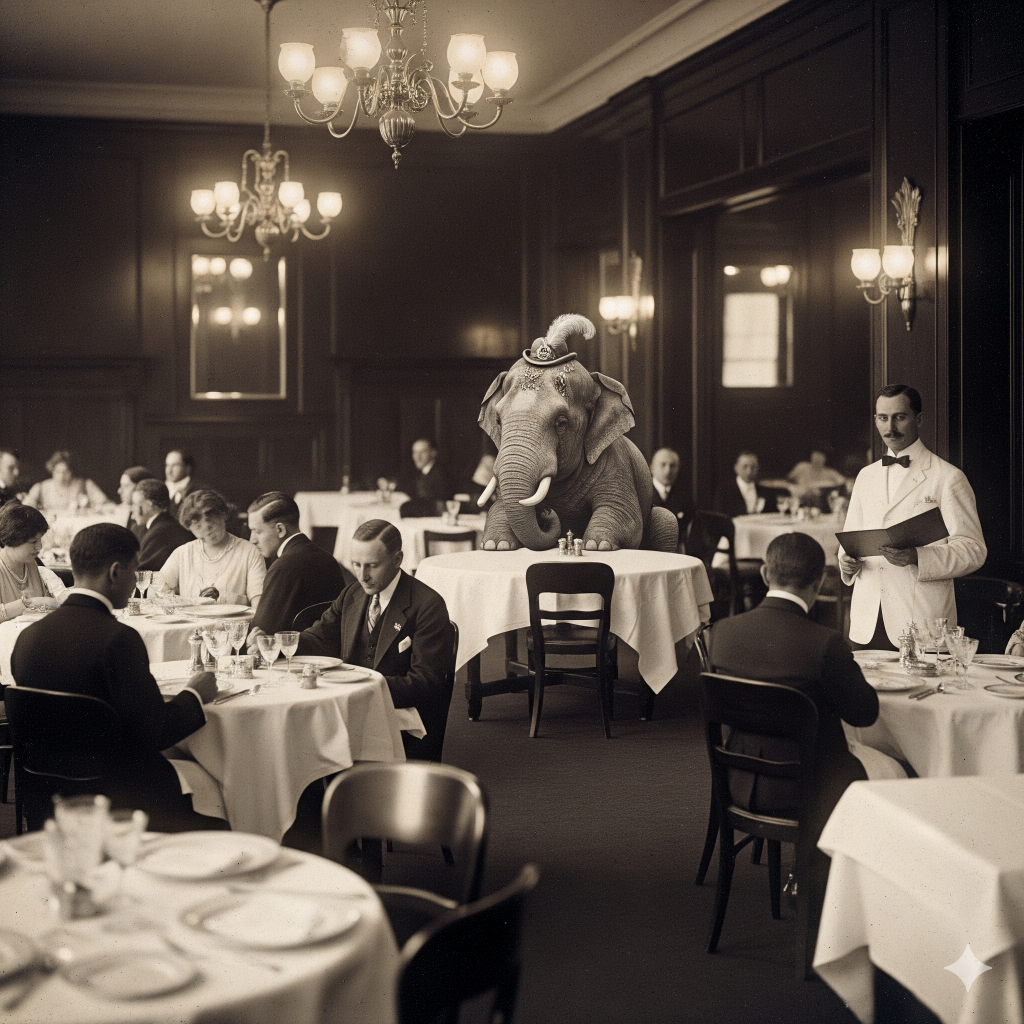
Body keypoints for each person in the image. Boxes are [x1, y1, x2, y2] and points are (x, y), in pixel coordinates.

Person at [707, 533, 904, 957]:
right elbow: (864, 714)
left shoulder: (721, 634)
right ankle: (868, 904)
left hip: (739, 782)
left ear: (764, 574)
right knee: (896, 771)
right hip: (809, 794)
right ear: (819, 584)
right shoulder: (825, 644)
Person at [10, 523, 221, 831]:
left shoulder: (28, 637)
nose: (135, 581)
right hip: (121, 794)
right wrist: (196, 695)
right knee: (215, 783)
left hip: (47, 794)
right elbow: (156, 733)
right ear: (115, 572)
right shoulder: (119, 639)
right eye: (134, 572)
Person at [839, 384, 987, 650]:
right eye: (883, 418)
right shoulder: (865, 476)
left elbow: (973, 549)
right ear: (875, 420)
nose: (890, 427)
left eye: (900, 417)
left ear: (919, 419)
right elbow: (850, 540)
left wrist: (918, 557)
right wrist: (846, 563)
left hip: (921, 620)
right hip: (868, 620)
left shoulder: (948, 477)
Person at [295, 519, 450, 760]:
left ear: (397, 560)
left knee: (312, 743)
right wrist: (277, 643)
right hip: (351, 708)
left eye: (372, 566)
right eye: (356, 564)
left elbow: (426, 683)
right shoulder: (352, 593)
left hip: (400, 715)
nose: (362, 576)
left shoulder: (428, 605)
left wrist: (362, 687)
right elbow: (318, 637)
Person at [244, 491, 349, 641]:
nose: (252, 539)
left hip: (294, 657)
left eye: (257, 531)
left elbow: (261, 632)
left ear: (280, 530)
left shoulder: (284, 566)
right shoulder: (326, 557)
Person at [154, 489, 265, 607]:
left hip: (230, 625)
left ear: (223, 515)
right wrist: (165, 594)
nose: (206, 530)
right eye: (198, 526)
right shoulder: (183, 554)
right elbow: (158, 587)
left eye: (211, 522)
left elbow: (259, 605)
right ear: (189, 528)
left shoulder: (249, 552)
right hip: (190, 624)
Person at [0, 503, 66, 622]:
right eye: (33, 541)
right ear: (11, 538)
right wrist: (29, 603)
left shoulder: (31, 563)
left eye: (40, 540)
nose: (39, 547)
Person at [131, 478, 193, 572]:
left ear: (149, 505)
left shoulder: (160, 533)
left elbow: (141, 572)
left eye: (135, 504)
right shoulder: (161, 526)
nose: (132, 510)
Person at [24, 450, 108, 512]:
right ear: (52, 470)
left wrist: (94, 507)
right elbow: (26, 507)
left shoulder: (85, 484)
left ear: (71, 471)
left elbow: (104, 503)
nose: (61, 476)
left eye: (65, 471)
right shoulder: (41, 487)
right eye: (57, 471)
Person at [714, 451, 777, 517]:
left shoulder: (765, 491)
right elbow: (719, 517)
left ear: (758, 468)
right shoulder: (724, 491)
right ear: (736, 468)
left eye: (753, 467)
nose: (749, 472)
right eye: (744, 467)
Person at [650, 447, 695, 533]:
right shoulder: (641, 493)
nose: (668, 471)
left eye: (672, 466)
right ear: (652, 468)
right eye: (663, 465)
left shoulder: (684, 497)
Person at [405, 438, 452, 503]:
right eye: (415, 452)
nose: (417, 457)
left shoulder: (440, 474)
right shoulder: (419, 474)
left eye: (422, 452)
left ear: (433, 453)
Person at [118, 465, 156, 532]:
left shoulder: (144, 519)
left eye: (126, 486)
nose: (119, 491)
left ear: (141, 487)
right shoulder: (132, 512)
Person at [164, 450, 199, 520]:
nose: (169, 470)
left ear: (187, 468)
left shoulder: (197, 490)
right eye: (167, 465)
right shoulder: (161, 488)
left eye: (175, 465)